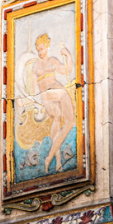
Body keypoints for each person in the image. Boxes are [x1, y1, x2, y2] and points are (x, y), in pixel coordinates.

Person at [30, 34, 76, 173]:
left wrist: (68, 55)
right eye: (38, 49)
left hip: (55, 92)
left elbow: (67, 70)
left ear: (47, 46)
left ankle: (54, 160)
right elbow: (33, 89)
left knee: (62, 120)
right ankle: (51, 158)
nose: (40, 51)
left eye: (42, 48)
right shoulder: (36, 66)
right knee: (68, 118)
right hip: (51, 95)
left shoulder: (53, 60)